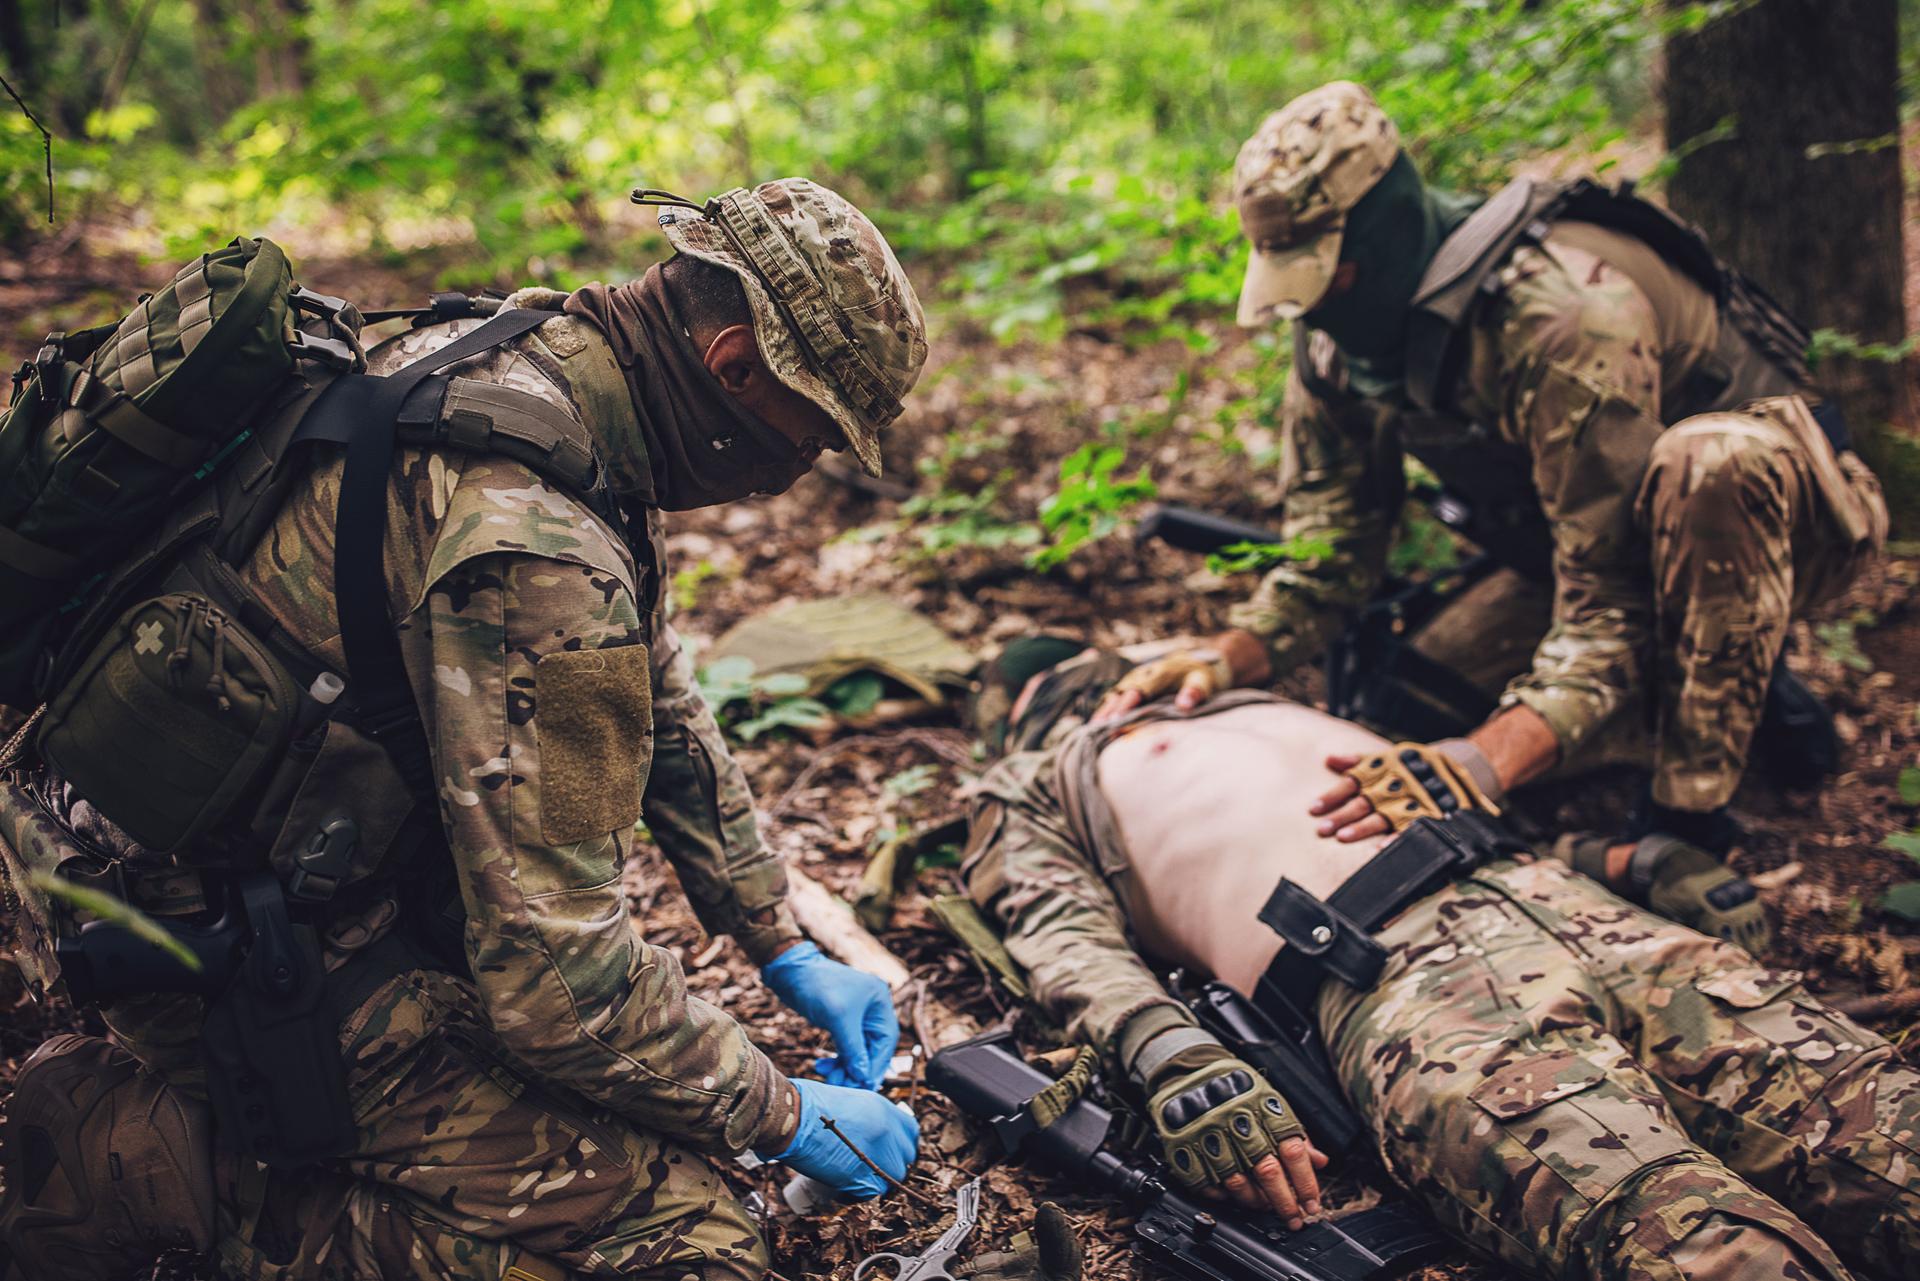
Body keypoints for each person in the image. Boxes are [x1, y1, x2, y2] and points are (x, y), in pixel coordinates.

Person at [0, 179, 927, 1281]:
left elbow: (651, 694)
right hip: (181, 939)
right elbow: (560, 986)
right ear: (733, 367)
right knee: (691, 1244)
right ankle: (141, 1161)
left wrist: (775, 934)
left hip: (175, 844)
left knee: (654, 1114)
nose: (799, 469)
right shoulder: (534, 547)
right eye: (812, 437)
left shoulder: (512, 363)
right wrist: (778, 1111)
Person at [1100, 82, 1889, 933]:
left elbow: (1613, 600)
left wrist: (1487, 760)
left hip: (1773, 523)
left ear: (1386, 228)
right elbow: (1332, 552)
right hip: (1578, 545)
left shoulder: (1562, 318)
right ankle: (1687, 687)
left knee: (1709, 468)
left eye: (1331, 271)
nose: (1314, 302)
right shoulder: (1333, 340)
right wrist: (1227, 655)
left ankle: (1689, 814)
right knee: (1409, 706)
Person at [963, 642, 1920, 1281]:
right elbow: (1062, 933)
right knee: (1686, 1235)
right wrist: (1171, 1054)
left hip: (1558, 898)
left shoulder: (1237, 690)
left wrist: (1622, 862)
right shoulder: (1037, 779)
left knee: (1886, 1128)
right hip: (1395, 977)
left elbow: (1411, 808)